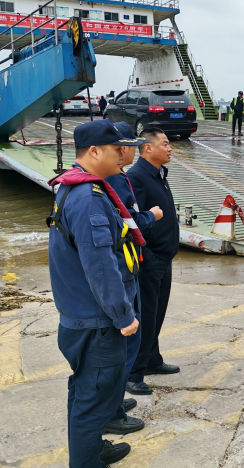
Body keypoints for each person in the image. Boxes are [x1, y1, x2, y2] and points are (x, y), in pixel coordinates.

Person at [46, 120, 146, 467]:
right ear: (93, 152)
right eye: (117, 149)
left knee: (86, 392)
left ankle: (90, 449)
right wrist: (124, 314)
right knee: (92, 399)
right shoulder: (89, 200)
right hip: (97, 323)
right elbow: (101, 266)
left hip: (78, 318)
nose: (124, 155)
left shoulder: (75, 188)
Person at [101, 122, 164, 436]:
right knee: (125, 342)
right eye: (126, 144)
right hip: (124, 270)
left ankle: (113, 402)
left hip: (130, 267)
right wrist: (151, 216)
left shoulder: (119, 175)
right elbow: (127, 223)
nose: (129, 150)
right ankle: (110, 408)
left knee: (129, 340)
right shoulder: (113, 178)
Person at [125, 127, 180, 395]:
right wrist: (149, 254)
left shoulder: (158, 173)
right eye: (166, 144)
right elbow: (137, 222)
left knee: (157, 313)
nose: (170, 148)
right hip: (151, 259)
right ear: (148, 147)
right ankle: (134, 373)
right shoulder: (137, 177)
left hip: (164, 257)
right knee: (145, 316)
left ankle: (152, 360)